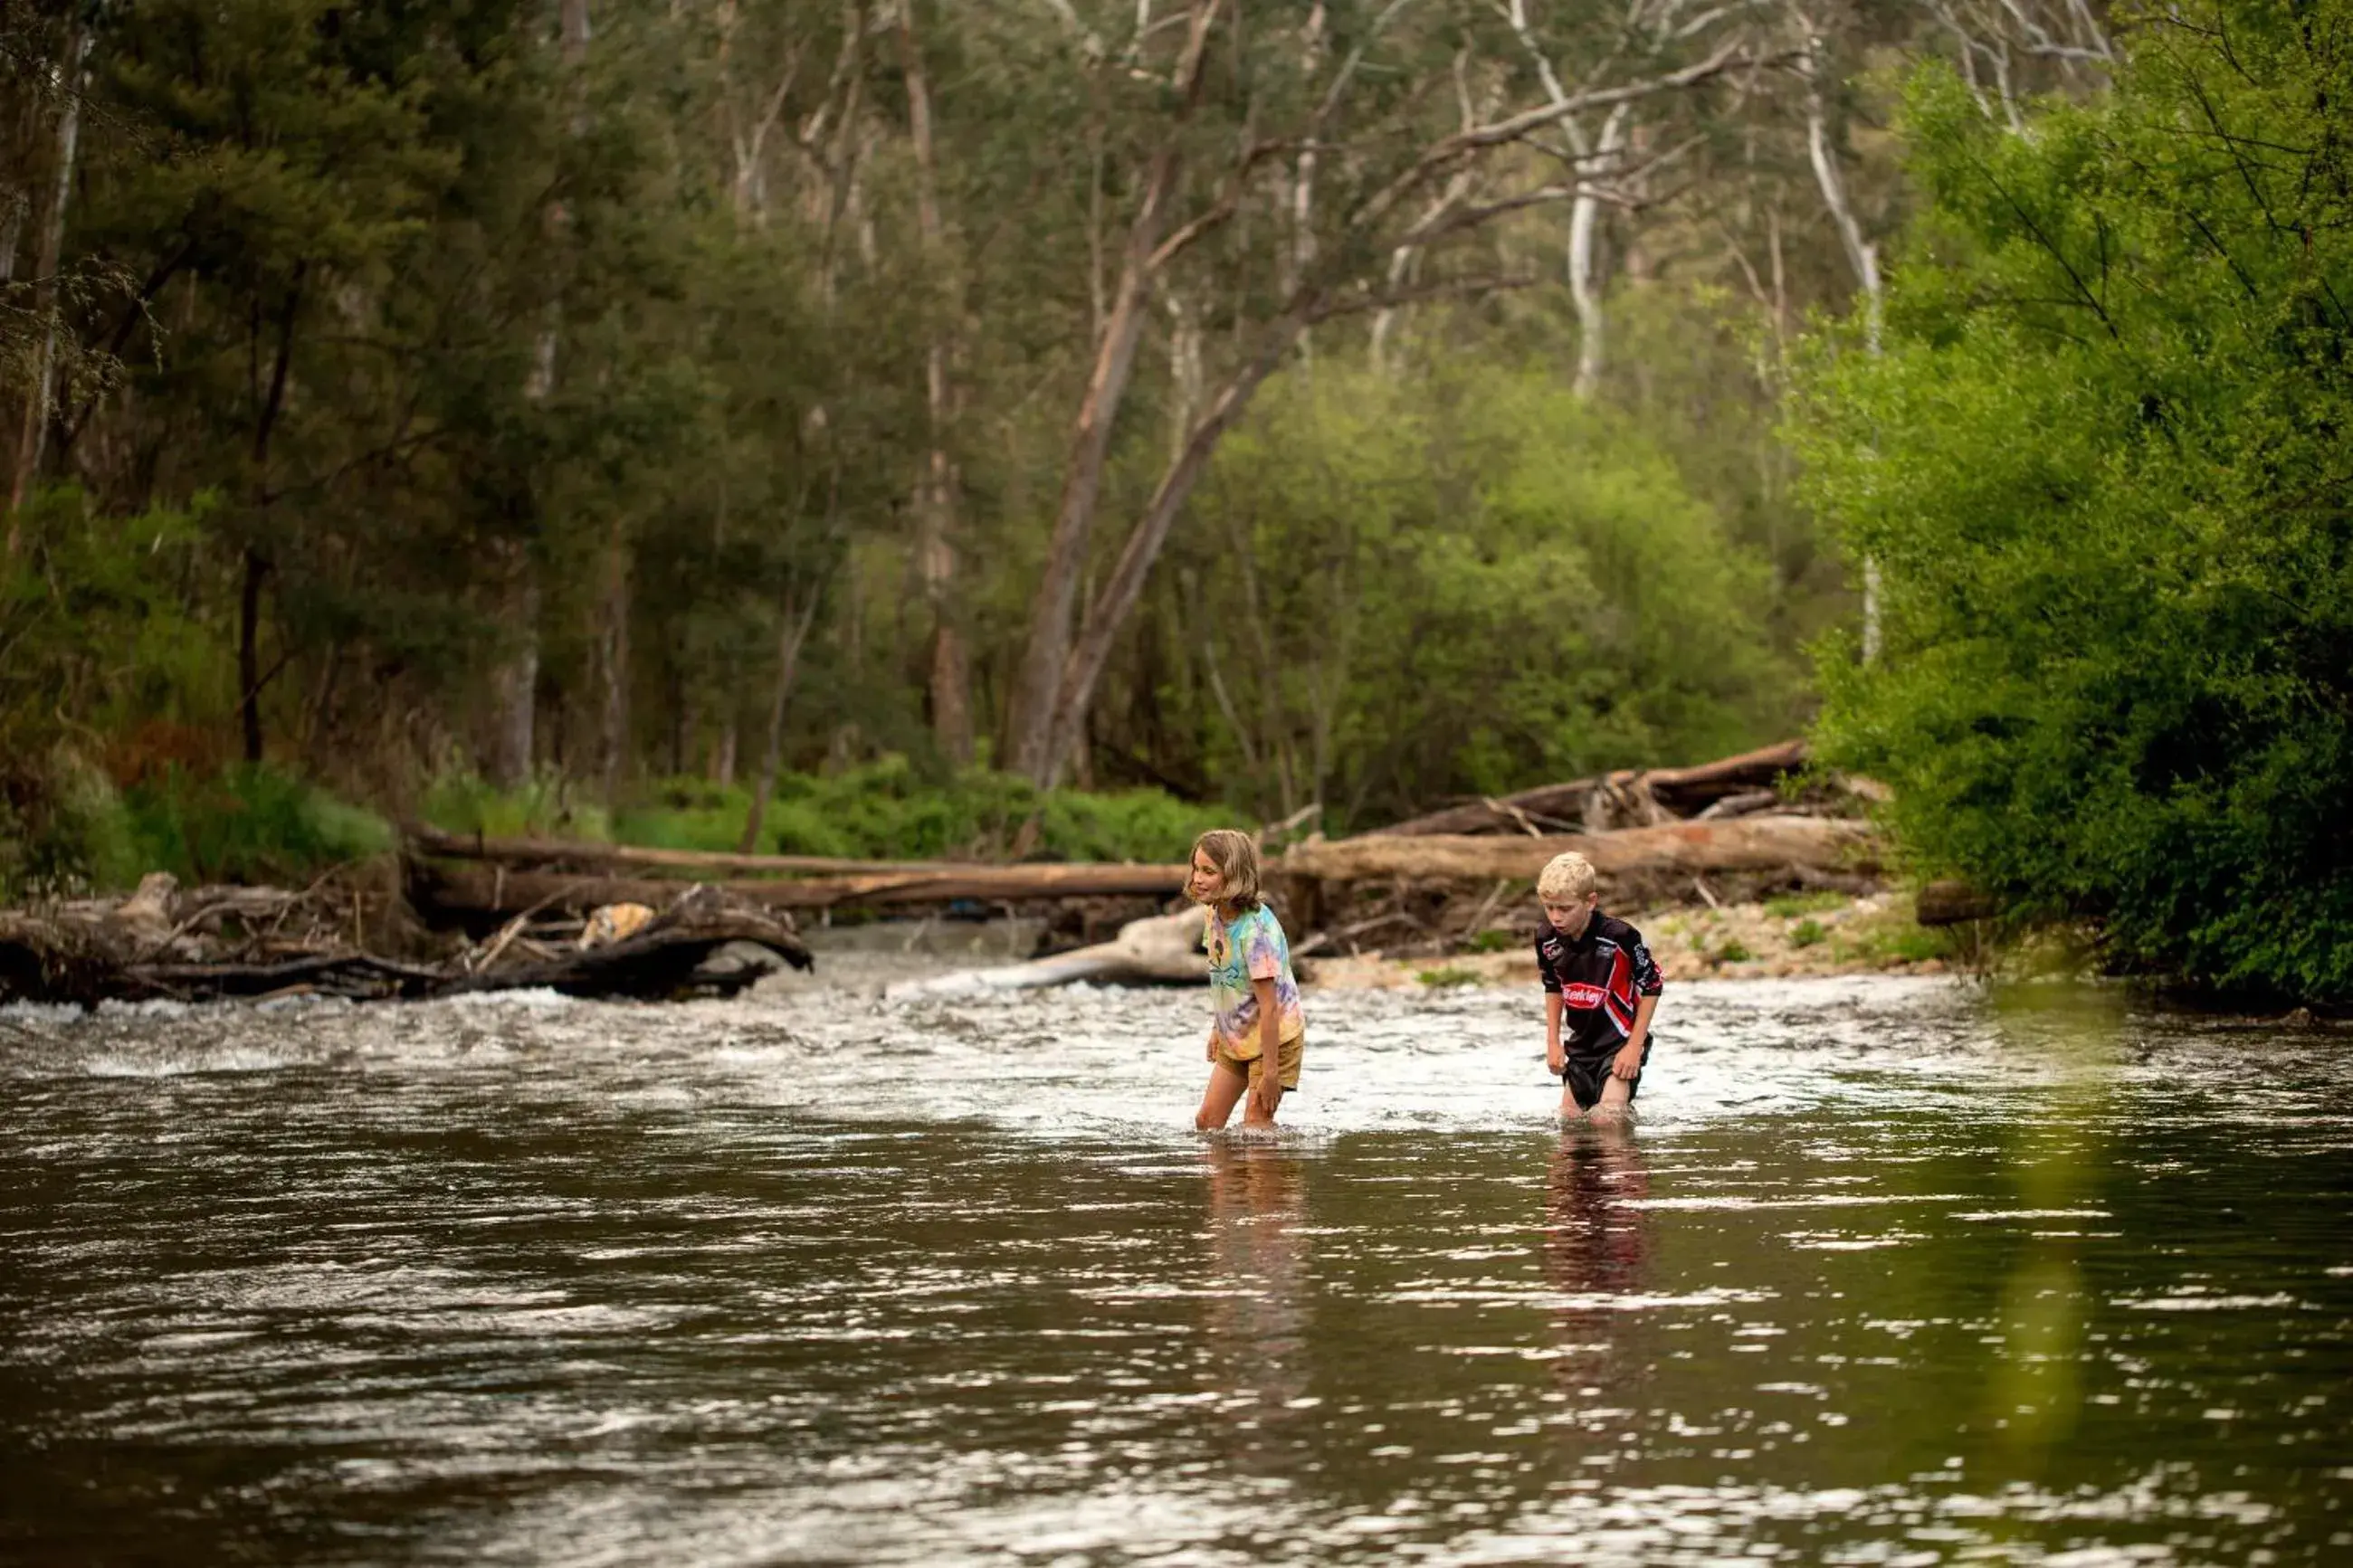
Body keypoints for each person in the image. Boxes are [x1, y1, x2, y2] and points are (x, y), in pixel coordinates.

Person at [1187, 828, 1306, 1131]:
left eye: (1209, 872)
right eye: (1196, 869)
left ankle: (1277, 1161)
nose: (1197, 878)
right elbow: (1223, 978)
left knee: (1256, 1128)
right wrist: (1218, 1028)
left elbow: (1270, 1007)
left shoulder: (1256, 932)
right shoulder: (1214, 914)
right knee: (1207, 1123)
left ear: (1235, 876)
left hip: (1275, 1040)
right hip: (1238, 1033)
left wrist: (1270, 1074)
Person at [1535, 850, 1662, 1123]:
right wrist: (1553, 1042)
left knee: (1607, 1119)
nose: (1556, 917)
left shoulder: (1621, 936)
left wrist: (1635, 1046)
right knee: (1569, 1122)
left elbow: (1653, 984)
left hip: (1620, 1041)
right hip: (1581, 1045)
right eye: (1549, 907)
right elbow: (1552, 986)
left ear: (1590, 901)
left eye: (1565, 909)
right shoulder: (1546, 938)